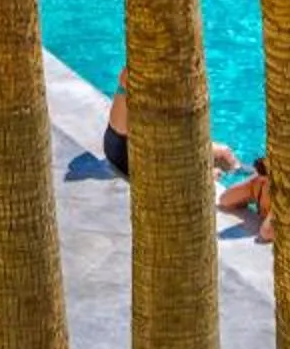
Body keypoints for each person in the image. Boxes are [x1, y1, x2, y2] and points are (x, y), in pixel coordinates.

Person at [103, 81, 240, 181]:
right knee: (219, 162)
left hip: (116, 145)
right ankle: (241, 177)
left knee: (223, 153)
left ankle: (240, 173)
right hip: (138, 159)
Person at [218, 156, 276, 243]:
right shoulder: (258, 182)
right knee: (225, 201)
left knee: (266, 232)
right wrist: (252, 183)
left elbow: (266, 233)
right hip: (263, 184)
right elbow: (224, 200)